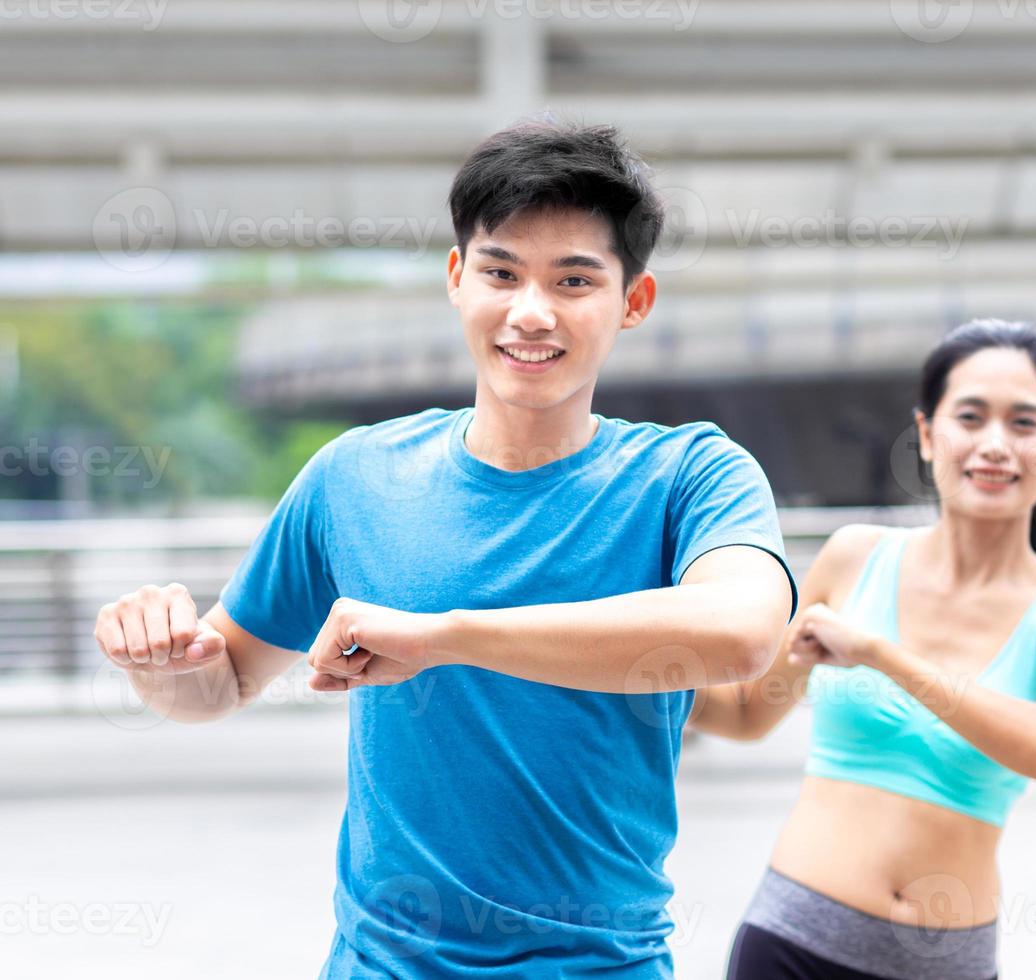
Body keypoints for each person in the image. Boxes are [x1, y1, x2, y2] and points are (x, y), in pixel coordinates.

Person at [91, 120, 798, 979]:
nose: (530, 312)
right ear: (458, 279)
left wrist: (442, 636)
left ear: (633, 302)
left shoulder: (691, 475)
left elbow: (742, 632)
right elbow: (224, 681)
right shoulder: (354, 476)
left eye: (575, 280)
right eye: (501, 273)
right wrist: (156, 661)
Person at [690, 319, 1036, 980]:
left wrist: (880, 654)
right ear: (928, 436)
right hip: (791, 942)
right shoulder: (854, 557)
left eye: (1024, 423)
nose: (994, 445)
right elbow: (748, 713)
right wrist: (627, 665)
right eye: (971, 417)